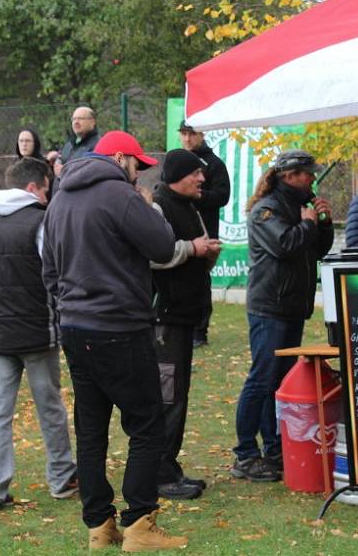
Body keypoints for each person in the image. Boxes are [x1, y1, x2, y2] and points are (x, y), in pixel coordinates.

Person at [42, 130, 187, 551]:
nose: (138, 174)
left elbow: (48, 269)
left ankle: (99, 527)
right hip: (120, 327)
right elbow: (162, 247)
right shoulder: (120, 196)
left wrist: (72, 306)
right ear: (119, 157)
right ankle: (140, 524)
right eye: (136, 165)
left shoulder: (60, 198)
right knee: (146, 423)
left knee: (91, 429)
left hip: (75, 327)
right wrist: (147, 207)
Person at [0, 158, 77, 511]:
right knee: (51, 409)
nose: (50, 195)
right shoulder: (41, 222)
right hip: (36, 331)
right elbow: (57, 273)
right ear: (33, 187)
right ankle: (62, 478)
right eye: (48, 188)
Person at [231, 150, 334, 482]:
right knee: (262, 379)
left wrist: (323, 222)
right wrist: (306, 222)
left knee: (279, 382)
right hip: (269, 308)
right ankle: (245, 454)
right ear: (289, 175)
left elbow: (315, 249)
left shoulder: (298, 205)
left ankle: (274, 448)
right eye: (306, 174)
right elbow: (286, 245)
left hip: (292, 307)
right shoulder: (267, 209)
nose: (312, 179)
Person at [150, 149, 221, 501]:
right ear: (180, 174)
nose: (202, 179)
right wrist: (192, 249)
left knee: (177, 395)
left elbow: (192, 255)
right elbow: (153, 254)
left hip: (184, 316)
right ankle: (160, 475)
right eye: (197, 173)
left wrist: (207, 254)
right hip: (164, 320)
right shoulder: (158, 207)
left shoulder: (190, 206)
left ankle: (169, 467)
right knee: (167, 397)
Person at [178, 122, 230, 348]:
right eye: (184, 134)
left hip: (204, 230)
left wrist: (197, 196)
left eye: (192, 134)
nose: (188, 139)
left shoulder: (214, 164)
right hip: (180, 230)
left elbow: (222, 195)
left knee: (200, 279)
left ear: (202, 134)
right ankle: (182, 326)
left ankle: (200, 330)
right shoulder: (178, 160)